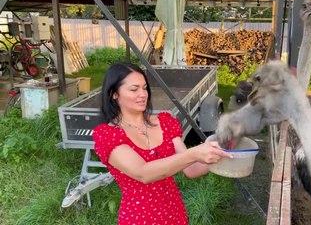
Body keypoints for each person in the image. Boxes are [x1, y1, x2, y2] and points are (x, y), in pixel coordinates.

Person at [93, 62, 232, 225]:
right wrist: (194, 153)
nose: (143, 94)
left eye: (144, 88)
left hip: (174, 212)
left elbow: (191, 169)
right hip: (139, 218)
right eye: (134, 89)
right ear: (114, 94)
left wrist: (221, 152)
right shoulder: (109, 135)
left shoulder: (165, 123)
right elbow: (143, 173)